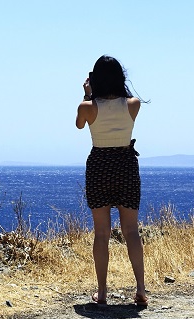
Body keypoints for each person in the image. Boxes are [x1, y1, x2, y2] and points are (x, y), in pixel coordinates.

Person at [76, 55, 147, 306]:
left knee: (101, 233)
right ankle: (140, 288)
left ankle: (103, 292)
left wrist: (88, 95)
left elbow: (79, 125)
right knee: (131, 231)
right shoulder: (133, 104)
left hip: (99, 165)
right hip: (126, 164)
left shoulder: (87, 106)